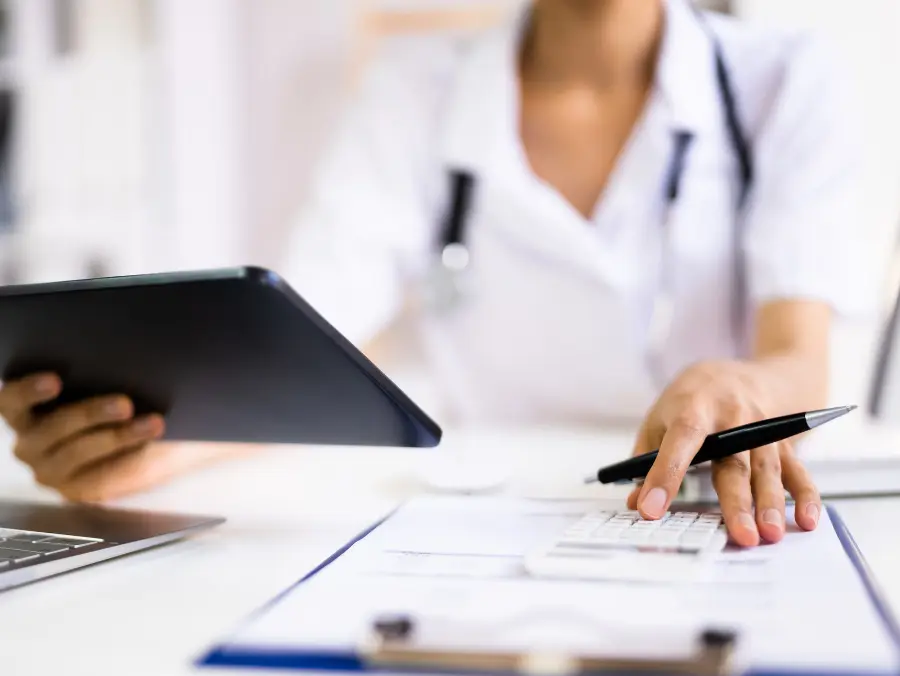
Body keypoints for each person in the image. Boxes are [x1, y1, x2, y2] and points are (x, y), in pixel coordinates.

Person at [0, 0, 869, 547]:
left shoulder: (780, 80)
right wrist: (143, 448)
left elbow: (798, 357)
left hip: (706, 510)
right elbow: (307, 344)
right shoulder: (414, 87)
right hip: (488, 516)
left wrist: (737, 384)